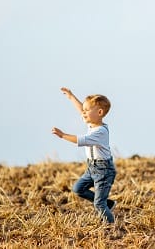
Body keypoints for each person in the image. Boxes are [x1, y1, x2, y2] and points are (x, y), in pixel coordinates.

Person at [51, 87, 117, 223]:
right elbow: (81, 109)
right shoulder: (92, 124)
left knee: (98, 204)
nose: (83, 113)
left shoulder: (100, 131)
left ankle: (111, 227)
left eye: (87, 111)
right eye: (84, 111)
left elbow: (82, 141)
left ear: (99, 113)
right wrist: (71, 96)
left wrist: (63, 135)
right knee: (78, 189)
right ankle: (108, 204)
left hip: (103, 171)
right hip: (91, 168)